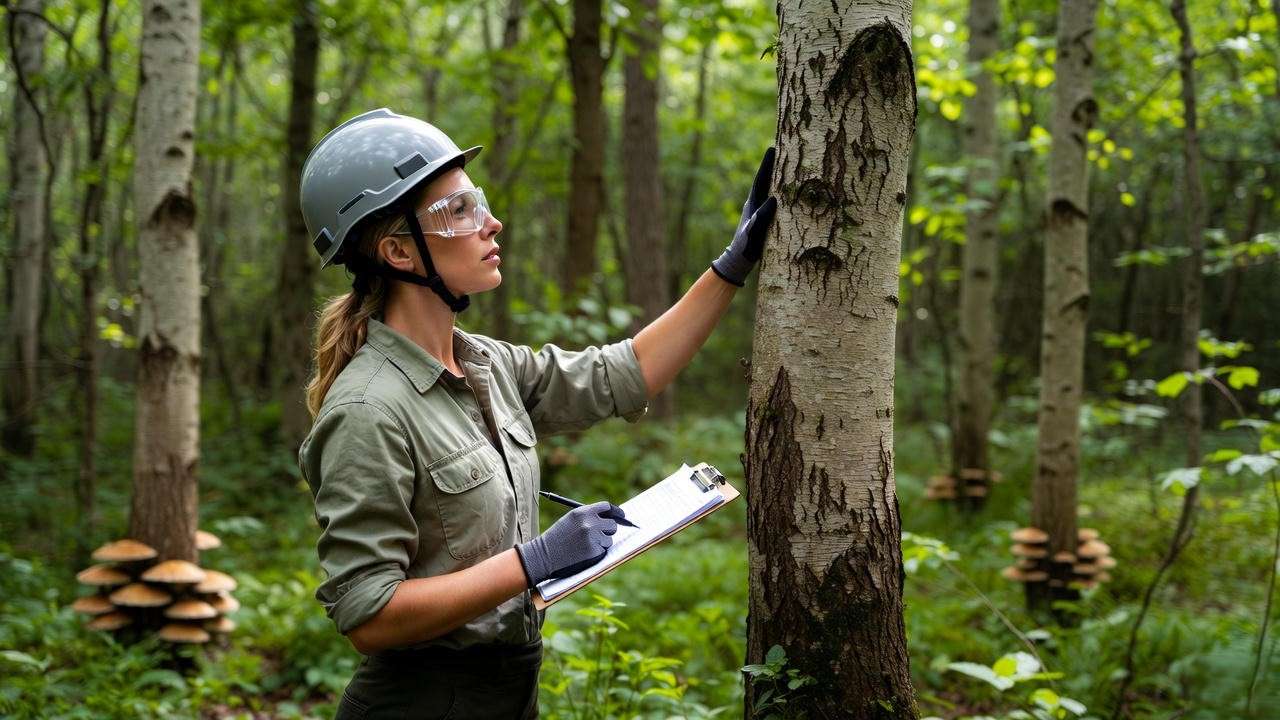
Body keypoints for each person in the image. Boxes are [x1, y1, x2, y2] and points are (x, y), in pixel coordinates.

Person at [297, 108, 777, 719]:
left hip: (510, 692)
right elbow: (369, 615)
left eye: (479, 201)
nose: (491, 223)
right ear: (399, 252)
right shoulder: (368, 409)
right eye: (460, 211)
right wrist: (535, 561)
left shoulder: (487, 365)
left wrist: (732, 265)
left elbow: (622, 374)